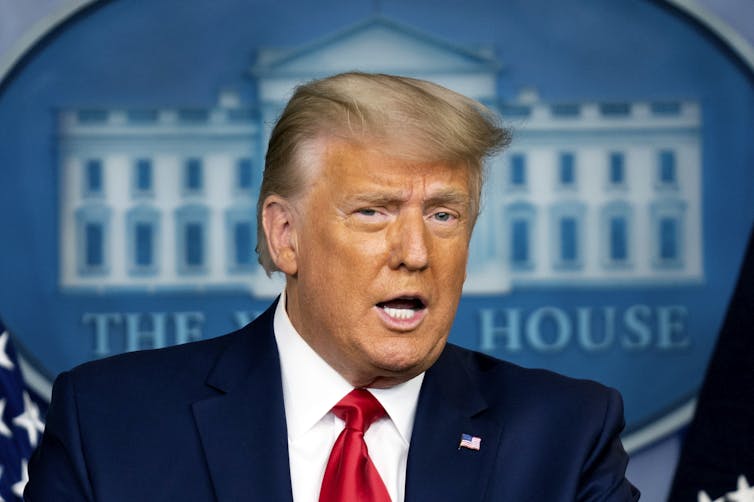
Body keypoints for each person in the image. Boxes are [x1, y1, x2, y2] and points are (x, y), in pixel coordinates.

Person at [26, 72, 639, 501]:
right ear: (285, 235)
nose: (416, 253)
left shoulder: (565, 432)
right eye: (373, 211)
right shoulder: (110, 423)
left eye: (444, 215)